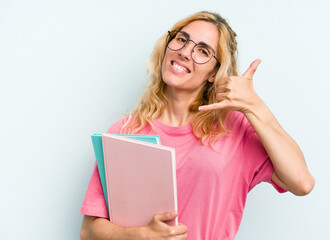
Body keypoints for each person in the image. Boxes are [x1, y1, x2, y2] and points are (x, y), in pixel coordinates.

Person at [80, 11, 315, 240]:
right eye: (181, 39)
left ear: (213, 73)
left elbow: (302, 183)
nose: (184, 52)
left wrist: (254, 106)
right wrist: (143, 235)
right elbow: (88, 233)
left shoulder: (235, 129)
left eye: (202, 51)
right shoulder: (124, 131)